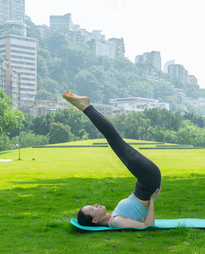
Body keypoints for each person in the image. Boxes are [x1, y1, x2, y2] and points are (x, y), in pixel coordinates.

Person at [62, 91, 161, 229]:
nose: (95, 205)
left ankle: (85, 106)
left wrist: (149, 202)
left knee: (115, 140)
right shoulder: (115, 222)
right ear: (95, 220)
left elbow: (140, 216)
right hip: (148, 179)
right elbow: (147, 225)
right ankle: (85, 106)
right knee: (115, 140)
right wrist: (152, 201)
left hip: (145, 182)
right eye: (92, 209)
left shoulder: (113, 215)